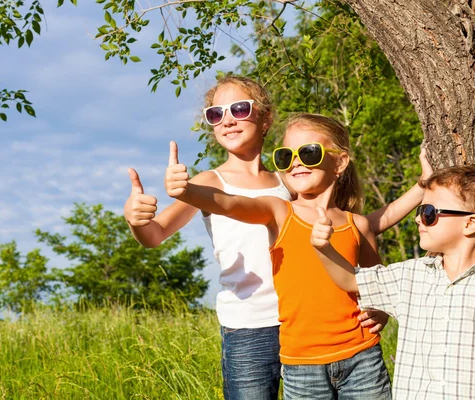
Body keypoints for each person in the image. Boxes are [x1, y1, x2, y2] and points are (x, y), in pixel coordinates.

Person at [126, 76, 429, 399]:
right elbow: (155, 234)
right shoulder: (209, 182)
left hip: (311, 321)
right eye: (215, 114)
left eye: (239, 109)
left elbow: (355, 227)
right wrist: (136, 219)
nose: (227, 119)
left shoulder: (291, 180)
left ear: (265, 117)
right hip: (249, 325)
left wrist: (421, 187)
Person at [313, 165, 475, 399]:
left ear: (470, 223)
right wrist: (324, 248)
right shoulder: (409, 276)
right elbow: (350, 279)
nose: (418, 219)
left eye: (429, 213)